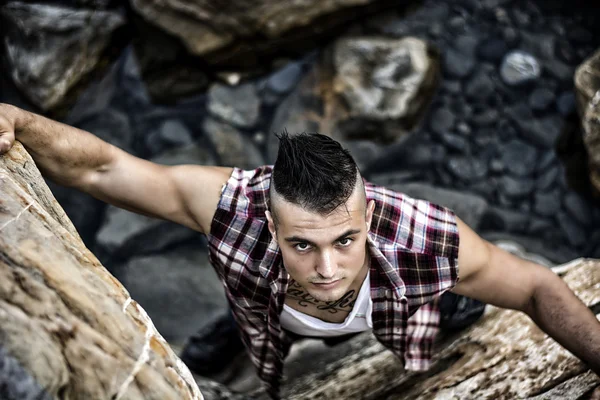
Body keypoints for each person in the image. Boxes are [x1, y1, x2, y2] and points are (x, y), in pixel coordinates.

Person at [0, 103, 598, 399]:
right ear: (269, 218)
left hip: (400, 309)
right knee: (215, 359)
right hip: (261, 315)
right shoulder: (229, 206)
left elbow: (537, 286)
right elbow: (105, 169)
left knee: (455, 309)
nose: (328, 269)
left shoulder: (424, 239)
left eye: (345, 239)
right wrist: (22, 122)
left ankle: (442, 312)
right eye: (302, 245)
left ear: (368, 216)